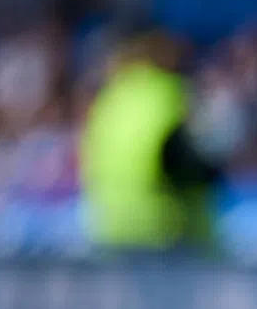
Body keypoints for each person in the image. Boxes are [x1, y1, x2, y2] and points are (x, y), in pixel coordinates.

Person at [80, 30, 220, 252]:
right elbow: (191, 164)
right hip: (168, 231)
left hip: (112, 230)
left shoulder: (109, 98)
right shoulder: (171, 95)